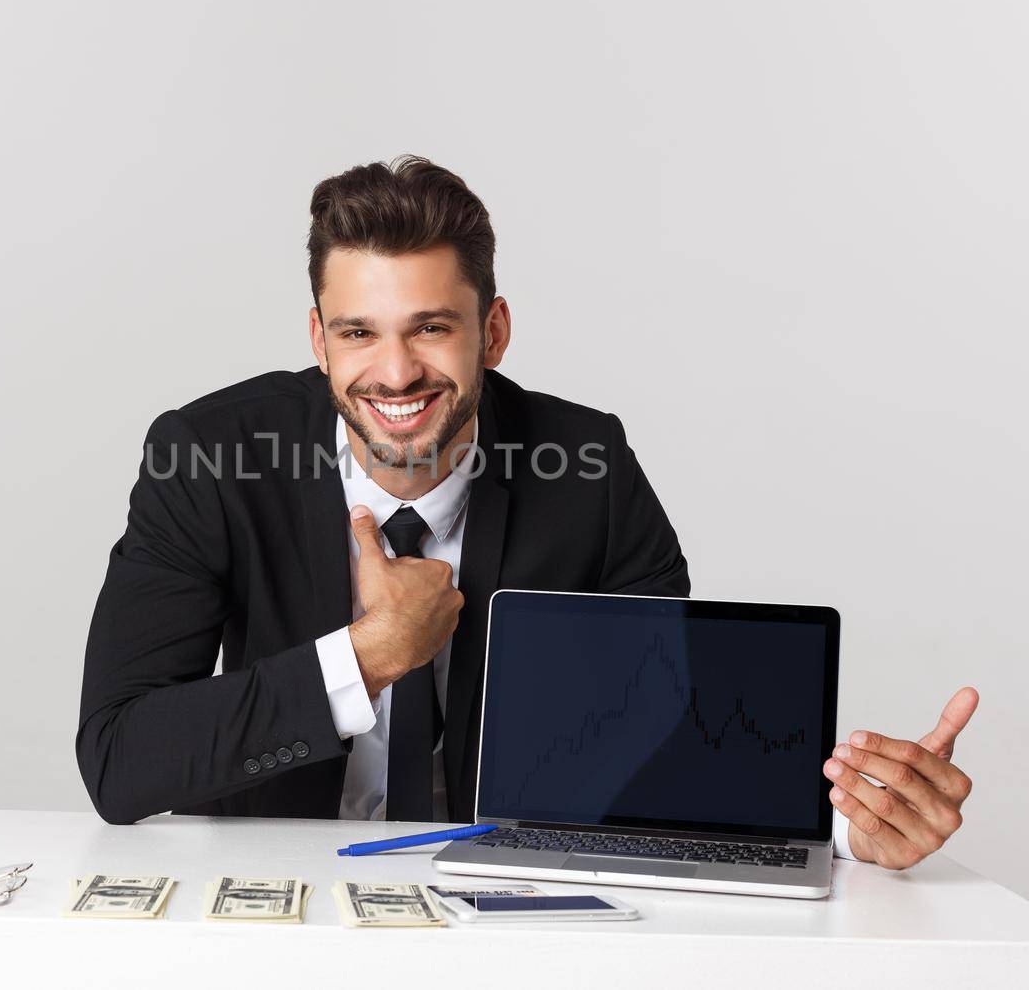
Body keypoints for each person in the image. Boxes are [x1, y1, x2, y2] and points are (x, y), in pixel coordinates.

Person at [76, 155, 978, 871]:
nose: (394, 374)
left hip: (508, 918)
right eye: (359, 333)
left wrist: (855, 827)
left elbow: (669, 735)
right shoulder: (204, 457)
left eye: (431, 327)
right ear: (319, 339)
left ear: (493, 332)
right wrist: (368, 657)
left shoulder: (592, 471)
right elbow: (119, 762)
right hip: (285, 918)